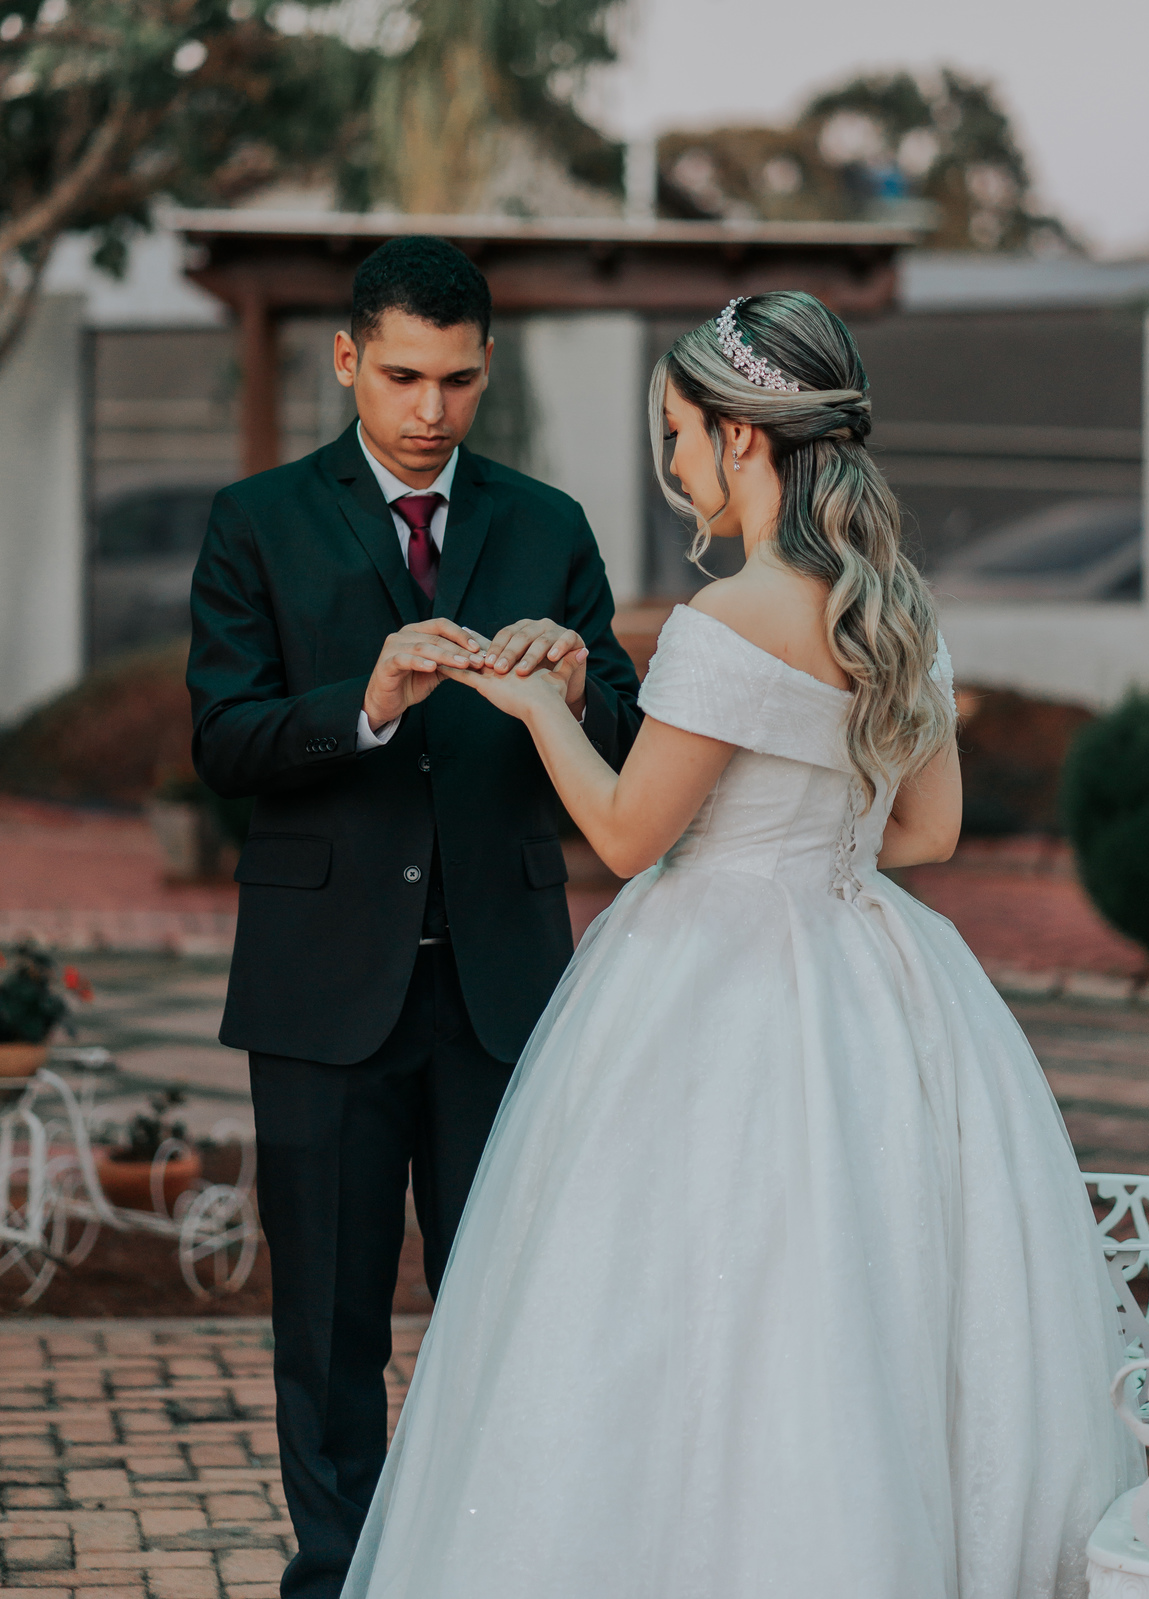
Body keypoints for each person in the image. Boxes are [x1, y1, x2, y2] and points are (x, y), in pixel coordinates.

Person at [340, 291, 1139, 1599]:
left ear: (743, 435)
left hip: (708, 977)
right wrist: (813, 834)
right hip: (877, 976)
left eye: (677, 432)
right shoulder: (897, 609)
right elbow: (926, 831)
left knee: (681, 1308)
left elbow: (626, 835)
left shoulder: (724, 620)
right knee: (867, 1304)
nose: (672, 461)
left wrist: (539, 708)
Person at [186, 235, 642, 1599]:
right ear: (347, 361)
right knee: (328, 1328)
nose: (431, 409)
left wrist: (579, 684)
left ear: (487, 366)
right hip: (321, 990)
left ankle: (493, 1570)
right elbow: (224, 741)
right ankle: (337, 1581)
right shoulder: (257, 520)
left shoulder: (549, 524)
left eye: (456, 380)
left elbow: (631, 738)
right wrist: (371, 702)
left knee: (508, 1314)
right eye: (401, 377)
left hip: (505, 992)